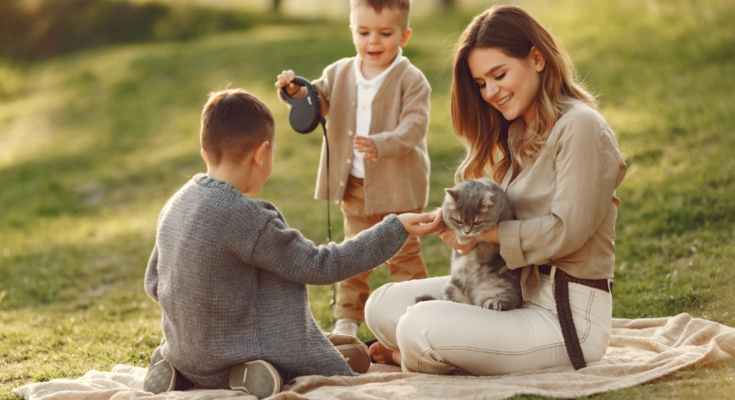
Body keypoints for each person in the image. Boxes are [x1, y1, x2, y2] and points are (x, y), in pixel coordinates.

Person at [364, 5, 628, 375]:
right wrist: (458, 229)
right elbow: (505, 225)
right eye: (480, 83)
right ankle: (441, 351)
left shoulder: (581, 127)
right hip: (507, 289)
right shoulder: (520, 131)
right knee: (382, 304)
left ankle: (408, 355)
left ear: (537, 58)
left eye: (498, 74)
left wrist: (486, 233)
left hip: (565, 318)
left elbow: (567, 232)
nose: (490, 92)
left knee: (417, 326)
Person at [142, 89, 441, 397]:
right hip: (232, 351)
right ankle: (238, 370)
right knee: (357, 355)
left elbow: (153, 282)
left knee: (340, 341)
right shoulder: (248, 218)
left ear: (205, 153)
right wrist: (392, 230)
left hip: (182, 351)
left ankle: (182, 371)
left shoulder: (175, 204)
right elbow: (320, 265)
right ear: (262, 154)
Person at [275, 0, 432, 338]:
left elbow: (415, 126)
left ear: (404, 36)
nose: (373, 42)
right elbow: (316, 98)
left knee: (404, 255)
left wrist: (384, 143)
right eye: (364, 33)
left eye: (385, 33)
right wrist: (295, 92)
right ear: (352, 32)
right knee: (354, 253)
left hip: (398, 188)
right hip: (355, 186)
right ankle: (347, 318)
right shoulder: (340, 72)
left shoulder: (412, 80)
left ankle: (419, 313)